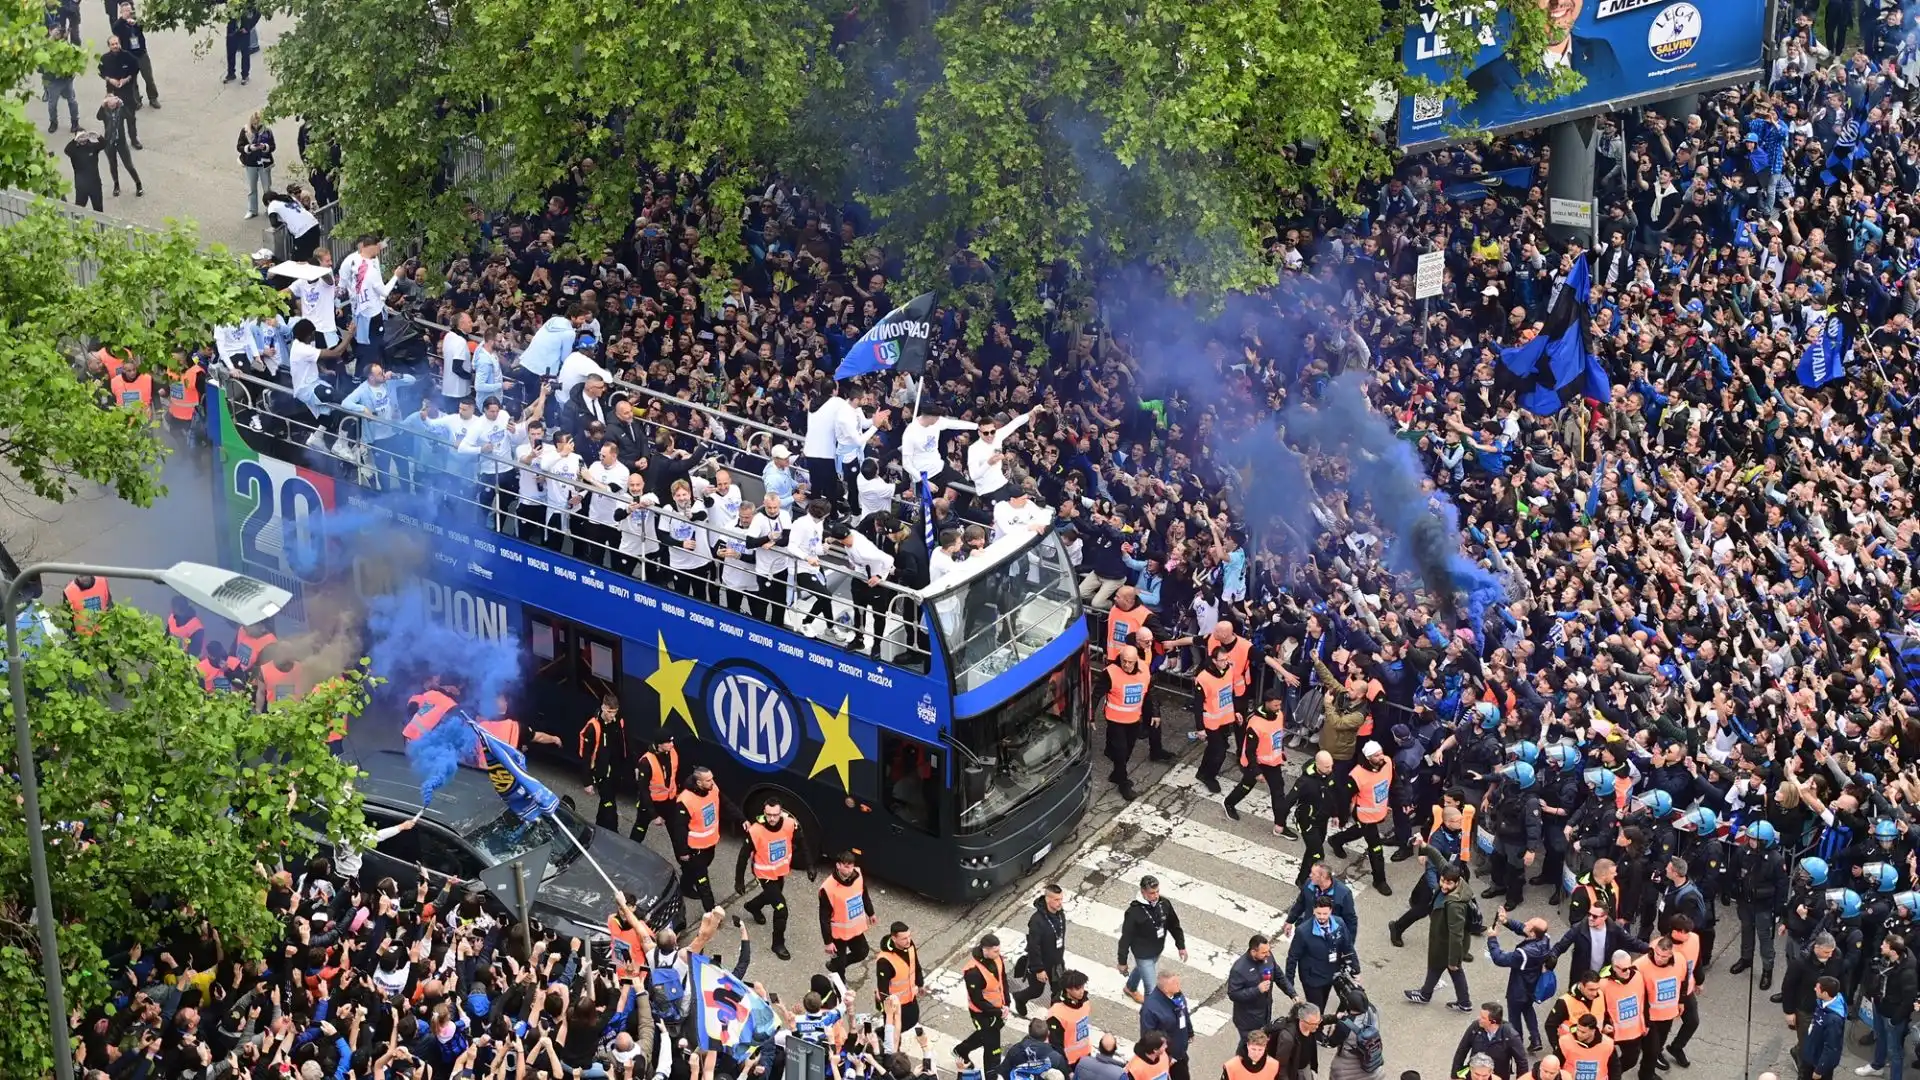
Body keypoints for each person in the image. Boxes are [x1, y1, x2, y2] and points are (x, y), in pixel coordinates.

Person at [736, 797, 802, 960]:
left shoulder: (789, 823)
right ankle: (777, 944)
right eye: (769, 815)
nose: (772, 818)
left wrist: (810, 865)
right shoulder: (756, 830)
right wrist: (739, 880)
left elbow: (802, 841)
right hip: (764, 875)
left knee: (772, 896)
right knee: (781, 908)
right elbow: (743, 856)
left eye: (775, 815)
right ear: (764, 813)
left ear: (781, 813)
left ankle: (752, 906)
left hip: (779, 872)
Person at [1327, 739, 1395, 894]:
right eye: (1376, 755)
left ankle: (1336, 840)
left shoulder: (1388, 762)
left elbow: (1394, 782)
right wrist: (1342, 817)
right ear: (1368, 758)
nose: (1381, 757)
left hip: (1377, 812)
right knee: (1375, 848)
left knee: (1359, 831)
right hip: (1364, 815)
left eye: (1381, 753)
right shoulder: (1357, 775)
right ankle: (1380, 880)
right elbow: (1345, 797)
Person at [1101, 643, 1165, 801]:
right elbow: (1097, 694)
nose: (1127, 665)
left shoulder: (1144, 670)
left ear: (1136, 660)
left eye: (1130, 662)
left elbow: (1151, 692)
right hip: (1115, 720)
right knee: (1121, 751)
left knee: (1127, 750)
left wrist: (1155, 714)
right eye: (1124, 661)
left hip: (1133, 719)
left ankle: (1116, 774)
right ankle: (1123, 784)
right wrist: (1090, 717)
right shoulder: (1110, 672)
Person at [1405, 864, 1474, 1010]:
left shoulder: (1454, 906)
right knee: (1451, 971)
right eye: (1442, 880)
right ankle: (1464, 1002)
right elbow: (1439, 859)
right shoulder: (1459, 884)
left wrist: (1453, 959)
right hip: (1445, 942)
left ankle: (1425, 994)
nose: (1443, 885)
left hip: (1446, 944)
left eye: (1448, 883)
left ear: (1456, 882)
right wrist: (1425, 846)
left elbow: (1456, 935)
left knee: (1440, 967)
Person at [1487, 913, 1556, 1053]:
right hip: (1533, 985)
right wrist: (1506, 921)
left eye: (1528, 924)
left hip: (1518, 989)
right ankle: (1536, 1038)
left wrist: (1492, 938)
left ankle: (1516, 1044)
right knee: (1528, 1008)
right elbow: (1523, 929)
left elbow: (1499, 959)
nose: (1524, 923)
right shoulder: (1544, 939)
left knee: (1514, 1016)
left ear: (1532, 933)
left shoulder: (1523, 954)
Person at [1224, 687, 1289, 830]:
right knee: (1246, 787)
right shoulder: (1255, 723)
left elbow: (1278, 734)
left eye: (1279, 704)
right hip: (1256, 763)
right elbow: (1249, 751)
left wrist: (1281, 750)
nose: (1279, 708)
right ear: (1267, 703)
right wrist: (1257, 771)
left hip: (1273, 763)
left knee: (1278, 792)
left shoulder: (1279, 715)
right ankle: (1229, 803)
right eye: (1276, 705)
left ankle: (1280, 825)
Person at [1279, 895, 1358, 1010]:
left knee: (1322, 1005)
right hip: (1312, 979)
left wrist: (1356, 970)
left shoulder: (1339, 924)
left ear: (1331, 911)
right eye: (1318, 913)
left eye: (1325, 914)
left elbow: (1348, 947)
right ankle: (1315, 1027)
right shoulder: (1303, 931)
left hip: (1331, 974)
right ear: (1313, 911)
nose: (1321, 917)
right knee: (1317, 1010)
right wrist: (1290, 986)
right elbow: (1292, 957)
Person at [1118, 876, 1188, 1005]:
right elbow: (1125, 938)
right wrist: (1122, 961)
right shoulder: (1133, 913)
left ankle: (1130, 988)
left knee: (1141, 969)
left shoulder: (1164, 903)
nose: (1155, 896)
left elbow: (1174, 925)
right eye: (1151, 893)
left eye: (1157, 892)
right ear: (1143, 892)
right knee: (1151, 990)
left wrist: (1181, 946)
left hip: (1157, 949)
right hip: (1142, 954)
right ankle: (1152, 1020)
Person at [1860, 934, 1915, 1080]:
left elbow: (1908, 999)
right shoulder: (1885, 960)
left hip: (1893, 1014)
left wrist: (1895, 1019)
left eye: (1884, 945)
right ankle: (1877, 1066)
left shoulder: (1907, 971)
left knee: (1894, 1051)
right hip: (1879, 1006)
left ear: (1893, 951)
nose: (1880, 946)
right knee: (1880, 1037)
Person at [955, 932, 1011, 1074]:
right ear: (985, 950)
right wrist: (998, 1012)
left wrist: (1007, 1003)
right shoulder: (973, 971)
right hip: (981, 1013)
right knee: (993, 1048)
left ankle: (961, 1050)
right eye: (995, 951)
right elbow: (977, 1000)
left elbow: (1002, 980)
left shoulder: (998, 959)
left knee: (985, 1035)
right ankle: (991, 1076)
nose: (998, 953)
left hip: (998, 1009)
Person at [669, 765, 721, 911]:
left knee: (696, 869)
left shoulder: (712, 789)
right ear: (699, 783)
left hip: (710, 843)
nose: (713, 782)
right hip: (695, 848)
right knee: (703, 880)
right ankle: (711, 912)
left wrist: (741, 819)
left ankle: (684, 886)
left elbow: (726, 802)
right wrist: (683, 852)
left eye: (712, 778)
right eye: (709, 780)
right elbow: (679, 829)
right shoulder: (685, 800)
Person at [1014, 884, 1069, 1016]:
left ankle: (1054, 1017)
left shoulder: (1060, 914)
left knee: (1059, 990)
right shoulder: (1037, 921)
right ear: (1047, 899)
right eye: (1056, 900)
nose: (1060, 903)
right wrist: (1038, 969)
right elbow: (1034, 947)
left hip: (1056, 962)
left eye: (1061, 899)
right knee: (1036, 990)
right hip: (1041, 963)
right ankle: (1019, 998)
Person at [576, 693, 628, 829]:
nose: (613, 716)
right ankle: (613, 833)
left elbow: (625, 742)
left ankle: (598, 826)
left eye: (615, 712)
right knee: (610, 806)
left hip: (615, 771)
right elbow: (586, 756)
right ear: (603, 708)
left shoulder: (618, 721)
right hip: (601, 773)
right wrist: (587, 782)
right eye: (610, 712)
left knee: (606, 804)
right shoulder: (593, 727)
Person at [821, 850, 875, 977]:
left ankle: (837, 965)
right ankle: (840, 987)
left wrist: (871, 913)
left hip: (854, 929)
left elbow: (864, 895)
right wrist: (828, 942)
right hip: (838, 933)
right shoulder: (828, 888)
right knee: (840, 967)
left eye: (851, 866)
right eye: (846, 866)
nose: (850, 870)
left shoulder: (858, 876)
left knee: (862, 952)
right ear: (838, 865)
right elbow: (824, 917)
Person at [1450, 1003, 1530, 1080]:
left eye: (1483, 1018)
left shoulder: (1510, 1035)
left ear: (1493, 1022)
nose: (1479, 1019)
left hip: (1498, 1075)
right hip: (1475, 1075)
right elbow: (1462, 1050)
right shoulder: (1475, 1027)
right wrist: (1455, 1075)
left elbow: (1521, 1062)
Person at [1139, 970, 1194, 1080]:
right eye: (1176, 984)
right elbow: (1148, 1039)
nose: (1179, 986)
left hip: (1180, 1052)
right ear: (1166, 988)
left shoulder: (1177, 994)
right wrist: (1167, 1059)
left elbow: (1184, 1012)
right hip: (1168, 1059)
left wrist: (1190, 1031)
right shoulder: (1150, 1009)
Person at [1227, 935, 1278, 1046]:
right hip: (1247, 1020)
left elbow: (1278, 975)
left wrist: (1292, 993)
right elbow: (1233, 994)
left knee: (1260, 1045)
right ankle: (1239, 1062)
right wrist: (1257, 990)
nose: (1268, 954)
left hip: (1264, 1013)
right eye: (1264, 952)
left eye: (1268, 951)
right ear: (1254, 952)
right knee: (1249, 1046)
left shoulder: (1267, 957)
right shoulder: (1239, 969)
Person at [108, 2, 157, 106]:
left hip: (141, 54)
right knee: (132, 81)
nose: (127, 13)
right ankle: (136, 101)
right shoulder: (119, 25)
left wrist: (136, 23)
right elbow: (114, 29)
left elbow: (145, 26)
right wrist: (123, 19)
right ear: (121, 12)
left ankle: (153, 98)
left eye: (129, 10)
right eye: (125, 11)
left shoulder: (137, 21)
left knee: (148, 77)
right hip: (129, 56)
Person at [95, 36, 140, 147]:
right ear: (109, 46)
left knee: (131, 119)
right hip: (112, 92)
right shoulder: (105, 58)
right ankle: (116, 140)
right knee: (113, 119)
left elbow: (135, 68)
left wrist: (127, 79)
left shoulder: (128, 56)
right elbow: (100, 72)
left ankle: (134, 140)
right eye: (112, 44)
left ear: (119, 44)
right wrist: (110, 80)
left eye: (116, 43)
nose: (115, 46)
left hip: (127, 92)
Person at [95, 93, 140, 198]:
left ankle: (138, 184)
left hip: (121, 142)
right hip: (109, 142)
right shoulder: (105, 111)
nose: (112, 105)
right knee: (113, 165)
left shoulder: (121, 110)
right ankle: (116, 185)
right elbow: (98, 117)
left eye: (113, 102)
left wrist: (122, 104)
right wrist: (102, 105)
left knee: (128, 165)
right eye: (109, 103)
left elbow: (130, 117)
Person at [1804, 976, 1846, 1080]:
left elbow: (1831, 1047)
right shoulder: (1823, 1003)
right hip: (1812, 1053)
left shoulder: (1834, 1020)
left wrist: (1820, 1069)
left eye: (1817, 988)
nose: (1814, 989)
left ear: (1825, 993)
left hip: (1818, 1062)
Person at [239, 112, 276, 220]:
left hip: (264, 163)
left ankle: (270, 208)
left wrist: (265, 146)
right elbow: (239, 146)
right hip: (251, 164)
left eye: (258, 124)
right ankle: (252, 210)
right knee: (252, 189)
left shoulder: (267, 131)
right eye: (254, 124)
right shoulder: (245, 131)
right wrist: (249, 148)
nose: (256, 126)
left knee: (267, 188)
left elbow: (273, 146)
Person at [42, 26, 79, 133]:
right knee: (52, 104)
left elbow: (74, 57)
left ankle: (75, 122)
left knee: (72, 101)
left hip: (66, 79)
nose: (58, 33)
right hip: (53, 81)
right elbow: (43, 52)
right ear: (49, 31)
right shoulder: (47, 45)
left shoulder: (65, 44)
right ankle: (53, 122)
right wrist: (52, 37)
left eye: (59, 31)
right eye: (55, 31)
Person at [224, 1, 259, 83]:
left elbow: (257, 14)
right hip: (232, 29)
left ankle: (245, 75)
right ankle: (231, 74)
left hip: (244, 30)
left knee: (245, 53)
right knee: (230, 52)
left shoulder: (247, 2)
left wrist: (248, 27)